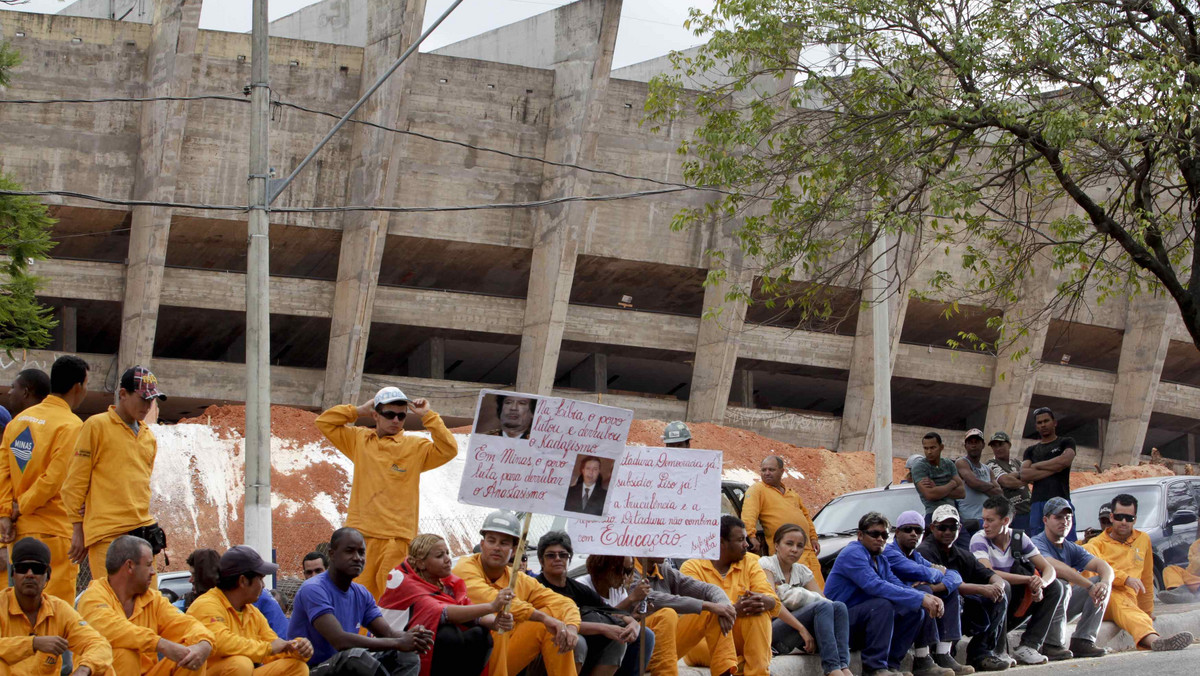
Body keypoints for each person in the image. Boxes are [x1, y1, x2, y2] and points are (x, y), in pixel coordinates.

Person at [314, 387, 457, 600]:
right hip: (361, 538)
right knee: (356, 598)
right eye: (390, 414)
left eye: (401, 415)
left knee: (392, 600)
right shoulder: (359, 440)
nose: (396, 420)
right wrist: (357, 410)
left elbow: (449, 449)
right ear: (375, 415)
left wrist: (428, 416)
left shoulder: (416, 446)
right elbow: (324, 422)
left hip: (396, 540)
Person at [64, 365, 168, 582]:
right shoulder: (96, 426)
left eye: (151, 400)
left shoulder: (148, 437)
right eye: (143, 399)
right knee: (113, 601)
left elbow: (141, 483)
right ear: (123, 394)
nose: (147, 406)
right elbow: (76, 481)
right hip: (107, 536)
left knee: (148, 605)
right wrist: (77, 528)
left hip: (142, 532)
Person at [0, 355, 90, 601]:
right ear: (77, 387)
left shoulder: (18, 421)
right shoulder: (72, 426)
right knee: (54, 614)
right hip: (53, 537)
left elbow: (4, 472)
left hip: (17, 535)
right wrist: (21, 507)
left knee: (15, 611)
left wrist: (6, 514)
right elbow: (54, 479)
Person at [452, 511, 580, 676]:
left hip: (502, 660)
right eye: (492, 541)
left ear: (514, 550)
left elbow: (562, 602)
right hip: (467, 658)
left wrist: (571, 627)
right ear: (482, 544)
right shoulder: (465, 568)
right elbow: (494, 599)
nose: (497, 548)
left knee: (552, 624)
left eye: (504, 543)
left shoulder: (519, 579)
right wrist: (543, 617)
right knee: (504, 619)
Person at [287, 528, 429, 676]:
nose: (357, 558)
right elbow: (339, 640)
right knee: (356, 658)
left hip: (341, 663)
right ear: (331, 554)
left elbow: (387, 633)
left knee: (407, 655)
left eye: (361, 552)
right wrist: (399, 642)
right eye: (349, 551)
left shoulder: (361, 593)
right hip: (308, 670)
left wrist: (412, 637)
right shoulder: (313, 589)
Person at [78, 535, 215, 676]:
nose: (153, 572)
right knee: (124, 652)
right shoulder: (93, 597)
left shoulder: (153, 599)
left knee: (191, 656)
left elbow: (186, 624)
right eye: (149, 565)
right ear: (130, 566)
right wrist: (161, 644)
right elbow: (114, 630)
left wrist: (204, 643)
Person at [825, 512, 941, 676]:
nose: (880, 538)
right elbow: (875, 586)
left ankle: (891, 665)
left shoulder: (880, 559)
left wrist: (927, 597)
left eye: (885, 535)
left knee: (914, 610)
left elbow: (896, 584)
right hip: (839, 624)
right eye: (874, 534)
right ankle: (874, 668)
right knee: (882, 605)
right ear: (860, 535)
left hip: (863, 623)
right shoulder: (852, 553)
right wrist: (920, 597)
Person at [378, 533, 507, 676]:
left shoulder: (448, 583)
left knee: (481, 634)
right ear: (421, 563)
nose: (448, 560)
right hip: (395, 656)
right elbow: (444, 613)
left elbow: (467, 608)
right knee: (448, 634)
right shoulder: (407, 584)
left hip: (434, 651)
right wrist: (491, 607)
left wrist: (495, 622)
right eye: (440, 556)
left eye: (447, 553)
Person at [1083, 493, 1194, 651]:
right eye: (1120, 517)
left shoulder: (1143, 540)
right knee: (1119, 602)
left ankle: (1155, 640)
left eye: (1129, 518)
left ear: (1135, 519)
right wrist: (1125, 579)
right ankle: (1155, 641)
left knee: (1132, 610)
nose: (1123, 522)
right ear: (1112, 517)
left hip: (1129, 599)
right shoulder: (1095, 544)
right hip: (1103, 600)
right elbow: (1097, 573)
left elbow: (1146, 579)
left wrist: (1147, 611)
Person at [186, 546, 312, 676]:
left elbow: (273, 648)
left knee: (297, 667)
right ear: (243, 581)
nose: (263, 586)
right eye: (260, 579)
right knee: (240, 665)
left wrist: (296, 650)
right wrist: (268, 648)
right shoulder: (206, 605)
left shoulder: (251, 612)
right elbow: (221, 643)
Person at [969, 495, 1064, 665]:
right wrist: (1029, 579)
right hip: (989, 608)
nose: (985, 525)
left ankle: (1029, 646)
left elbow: (1049, 569)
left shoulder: (1019, 539)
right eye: (983, 520)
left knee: (1056, 587)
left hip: (1015, 605)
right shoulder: (979, 539)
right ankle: (998, 649)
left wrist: (1041, 583)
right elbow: (989, 572)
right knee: (1002, 585)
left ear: (1006, 521)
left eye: (990, 520)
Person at [679, 515, 777, 676]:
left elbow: (771, 598)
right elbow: (696, 612)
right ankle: (744, 664)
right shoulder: (692, 567)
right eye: (740, 540)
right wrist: (732, 609)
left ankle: (756, 671)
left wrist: (766, 601)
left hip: (740, 639)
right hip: (704, 642)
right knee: (713, 615)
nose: (747, 544)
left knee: (759, 613)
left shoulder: (751, 561)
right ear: (721, 542)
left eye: (746, 538)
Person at [916, 506, 1010, 673]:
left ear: (959, 528)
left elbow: (991, 575)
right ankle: (935, 654)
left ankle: (980, 654)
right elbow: (938, 585)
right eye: (942, 527)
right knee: (950, 594)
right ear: (932, 528)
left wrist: (997, 586)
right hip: (936, 609)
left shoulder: (961, 554)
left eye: (952, 527)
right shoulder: (925, 551)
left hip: (961, 609)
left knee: (1000, 596)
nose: (947, 532)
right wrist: (981, 589)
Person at [0, 537, 112, 676]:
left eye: (37, 569)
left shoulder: (58, 609)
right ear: (13, 574)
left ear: (47, 576)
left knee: (102, 668)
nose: (30, 574)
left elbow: (99, 644)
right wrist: (33, 644)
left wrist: (84, 670)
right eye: (23, 568)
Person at [533, 535, 643, 676]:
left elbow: (608, 610)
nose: (558, 559)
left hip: (579, 644)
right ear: (541, 561)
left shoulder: (577, 588)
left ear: (569, 559)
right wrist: (603, 628)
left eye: (563, 555)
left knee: (619, 640)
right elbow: (551, 625)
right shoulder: (535, 587)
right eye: (550, 555)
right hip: (543, 648)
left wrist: (632, 622)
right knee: (577, 642)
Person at [882, 512, 970, 676]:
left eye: (918, 531)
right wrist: (936, 572)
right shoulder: (889, 552)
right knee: (924, 592)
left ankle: (943, 653)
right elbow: (915, 570)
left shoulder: (916, 555)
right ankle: (922, 658)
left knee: (949, 590)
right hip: (893, 605)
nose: (914, 534)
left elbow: (955, 576)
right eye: (908, 529)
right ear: (897, 532)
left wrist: (939, 586)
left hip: (910, 602)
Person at [759, 524, 851, 676]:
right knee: (821, 607)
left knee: (838, 606)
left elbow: (826, 601)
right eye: (789, 544)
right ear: (776, 545)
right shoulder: (766, 564)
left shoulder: (802, 571)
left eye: (799, 546)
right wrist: (802, 629)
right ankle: (832, 669)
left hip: (796, 630)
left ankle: (843, 665)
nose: (794, 549)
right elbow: (773, 606)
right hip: (771, 629)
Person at [1030, 497, 1112, 658]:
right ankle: (1051, 645)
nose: (1064, 522)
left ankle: (1083, 641)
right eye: (1058, 517)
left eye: (1068, 517)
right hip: (1036, 609)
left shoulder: (1070, 547)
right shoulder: (1036, 543)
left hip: (1059, 608)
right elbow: (1055, 567)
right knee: (1061, 584)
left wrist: (1105, 583)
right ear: (1045, 520)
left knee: (1101, 583)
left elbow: (1104, 567)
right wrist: (1089, 586)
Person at [630, 556, 735, 676]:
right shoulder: (627, 568)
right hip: (636, 649)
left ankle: (724, 672)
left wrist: (724, 605)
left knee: (715, 610)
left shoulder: (662, 569)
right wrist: (705, 605)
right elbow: (651, 599)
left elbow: (707, 589)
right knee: (667, 614)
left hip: (665, 648)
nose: (668, 548)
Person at [741, 455, 823, 587]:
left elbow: (806, 517)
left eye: (771, 470)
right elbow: (749, 513)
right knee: (797, 592)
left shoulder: (792, 494)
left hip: (807, 550)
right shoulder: (758, 489)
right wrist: (751, 535)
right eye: (763, 470)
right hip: (787, 551)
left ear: (782, 471)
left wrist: (813, 537)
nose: (766, 473)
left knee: (818, 590)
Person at [1020, 407, 1076, 539]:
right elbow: (1024, 475)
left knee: (1066, 541)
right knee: (1038, 543)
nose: (1043, 425)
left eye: (1046, 421)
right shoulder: (1031, 450)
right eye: (1039, 423)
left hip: (1061, 500)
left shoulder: (1066, 442)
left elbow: (1065, 461)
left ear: (1054, 422)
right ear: (1036, 426)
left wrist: (1036, 466)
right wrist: (1055, 468)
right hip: (1037, 503)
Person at [956, 429, 1002, 547]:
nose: (973, 445)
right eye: (970, 442)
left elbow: (999, 493)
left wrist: (982, 486)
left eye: (977, 442)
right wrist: (989, 486)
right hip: (969, 522)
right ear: (965, 445)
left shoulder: (987, 469)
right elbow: (972, 482)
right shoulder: (962, 462)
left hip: (987, 522)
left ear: (983, 445)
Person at [911, 433, 965, 523]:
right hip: (933, 514)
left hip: (953, 514)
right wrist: (951, 484)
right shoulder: (919, 466)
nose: (929, 452)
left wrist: (937, 488)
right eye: (926, 448)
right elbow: (930, 495)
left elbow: (962, 493)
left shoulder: (948, 464)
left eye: (932, 448)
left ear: (941, 447)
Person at [985, 433, 1031, 531]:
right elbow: (1006, 481)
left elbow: (1033, 477)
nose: (998, 448)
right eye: (994, 446)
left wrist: (1017, 476)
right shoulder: (991, 464)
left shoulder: (1017, 462)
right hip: (1012, 514)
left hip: (1029, 510)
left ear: (1009, 445)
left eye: (1001, 444)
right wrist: (1022, 476)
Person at [1160, 530, 1200, 602]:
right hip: (1193, 580)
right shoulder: (1196, 545)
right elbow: (1193, 567)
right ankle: (1177, 592)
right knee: (1169, 569)